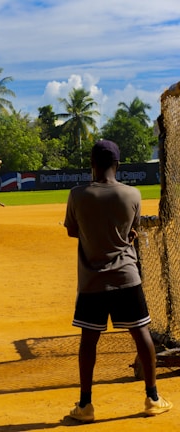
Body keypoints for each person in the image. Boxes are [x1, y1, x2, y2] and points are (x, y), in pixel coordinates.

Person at [64, 139, 172, 422]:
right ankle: (152, 398)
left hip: (91, 280)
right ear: (117, 164)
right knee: (141, 334)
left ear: (92, 164)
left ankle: (85, 405)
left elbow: (72, 231)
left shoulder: (77, 194)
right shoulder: (132, 194)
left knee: (89, 340)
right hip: (127, 275)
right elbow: (131, 231)